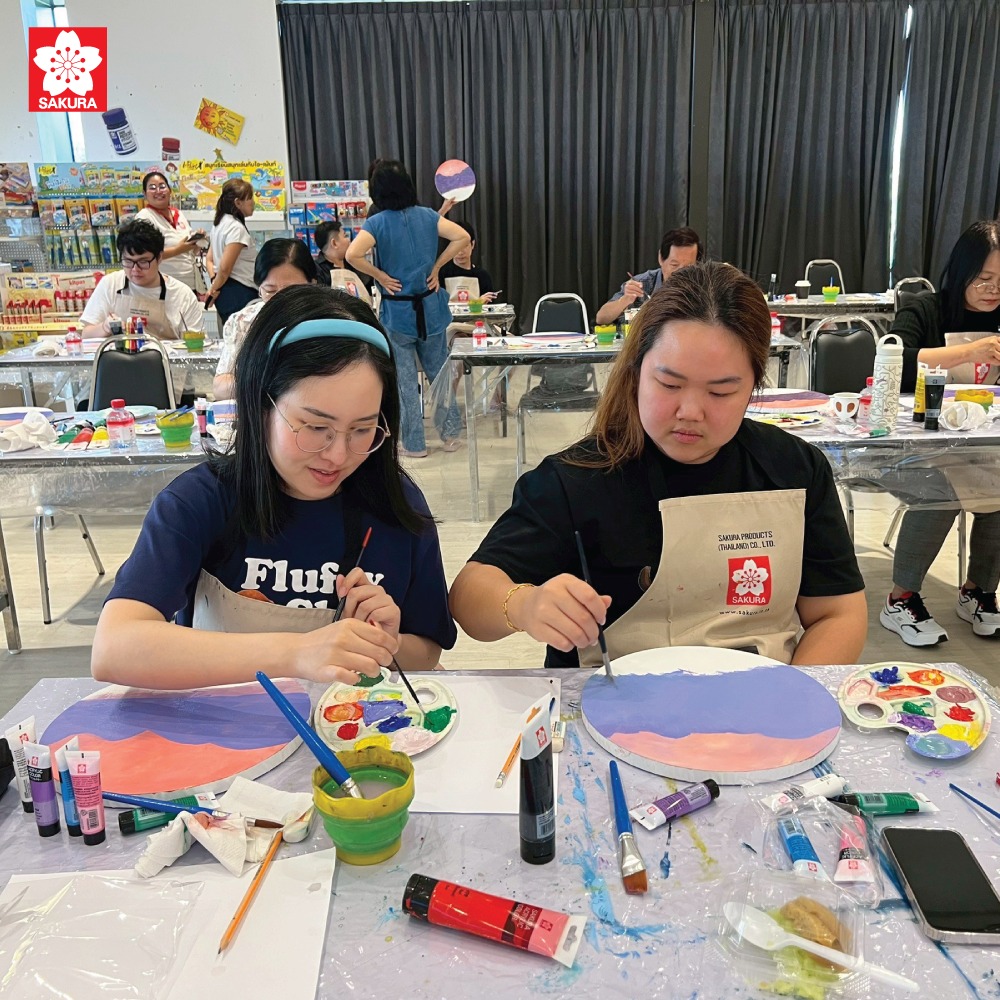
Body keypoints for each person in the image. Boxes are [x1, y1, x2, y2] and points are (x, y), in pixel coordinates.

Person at [449, 261, 867, 668]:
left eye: (720, 392)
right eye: (669, 384)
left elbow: (838, 613)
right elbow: (469, 598)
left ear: (754, 386)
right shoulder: (574, 480)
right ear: (636, 372)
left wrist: (790, 698)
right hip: (609, 702)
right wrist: (524, 605)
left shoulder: (794, 470)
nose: (690, 412)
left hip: (762, 696)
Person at [92, 285, 457, 690]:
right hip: (225, 722)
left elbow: (427, 651)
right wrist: (296, 653)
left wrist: (384, 642)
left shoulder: (396, 504)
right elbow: (114, 648)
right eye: (315, 427)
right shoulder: (201, 501)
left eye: (362, 429)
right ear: (260, 404)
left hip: (351, 722)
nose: (338, 455)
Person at [879, 220, 1000, 646]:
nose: (993, 290)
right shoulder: (925, 309)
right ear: (961, 271)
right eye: (983, 278)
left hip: (980, 444)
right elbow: (894, 360)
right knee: (940, 487)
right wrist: (970, 351)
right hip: (911, 443)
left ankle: (978, 592)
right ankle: (900, 599)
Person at [346, 160, 470, 457]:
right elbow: (462, 237)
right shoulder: (427, 216)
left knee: (404, 381)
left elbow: (352, 254)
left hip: (398, 313)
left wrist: (380, 276)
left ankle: (414, 444)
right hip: (431, 309)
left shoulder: (377, 223)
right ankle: (450, 435)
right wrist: (437, 267)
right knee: (439, 373)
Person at [213, 238, 319, 400]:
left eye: (292, 290)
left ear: (312, 284)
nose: (280, 299)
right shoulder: (243, 322)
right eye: (270, 291)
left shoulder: (325, 320)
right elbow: (220, 388)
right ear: (259, 288)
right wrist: (265, 383)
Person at [81, 218, 203, 340]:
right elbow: (86, 334)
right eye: (128, 261)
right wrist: (104, 327)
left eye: (143, 262)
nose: (135, 269)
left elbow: (196, 343)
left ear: (159, 258)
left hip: (164, 353)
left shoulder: (182, 295)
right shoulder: (110, 284)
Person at [594, 227, 702, 326]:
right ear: (661, 258)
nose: (680, 272)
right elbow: (601, 318)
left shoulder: (704, 286)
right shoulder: (643, 283)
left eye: (688, 267)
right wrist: (624, 300)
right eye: (674, 265)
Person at [135, 171, 205, 290]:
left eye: (162, 186)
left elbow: (190, 252)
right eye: (152, 188)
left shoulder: (178, 214)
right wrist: (178, 249)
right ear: (145, 194)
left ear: (169, 190)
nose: (158, 191)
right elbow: (145, 255)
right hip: (165, 286)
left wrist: (196, 242)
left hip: (189, 283)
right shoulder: (144, 217)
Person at [206, 179, 259, 328]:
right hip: (239, 292)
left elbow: (209, 259)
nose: (253, 202)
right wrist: (213, 289)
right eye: (250, 198)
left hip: (225, 291)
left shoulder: (219, 223)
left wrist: (214, 284)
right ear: (238, 203)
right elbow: (224, 269)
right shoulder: (236, 228)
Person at [439, 222, 499, 302]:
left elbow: (490, 306)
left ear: (472, 244)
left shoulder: (483, 276)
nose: (460, 252)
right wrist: (478, 302)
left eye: (464, 246)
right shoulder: (441, 274)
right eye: (456, 247)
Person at [313, 219, 370, 292]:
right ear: (334, 243)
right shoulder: (318, 271)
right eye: (345, 236)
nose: (349, 240)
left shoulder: (353, 262)